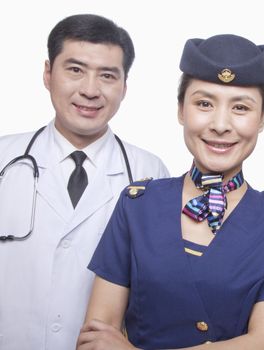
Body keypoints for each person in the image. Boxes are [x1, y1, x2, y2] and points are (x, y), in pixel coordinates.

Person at [77, 34, 264, 350]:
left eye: (241, 107)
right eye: (204, 103)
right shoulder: (138, 206)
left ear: (262, 120)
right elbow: (95, 338)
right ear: (180, 110)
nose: (220, 124)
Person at [0, 14, 169, 350]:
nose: (90, 90)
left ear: (124, 86)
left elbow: (161, 289)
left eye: (107, 76)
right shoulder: (5, 159)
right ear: (48, 74)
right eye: (75, 70)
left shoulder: (151, 174)